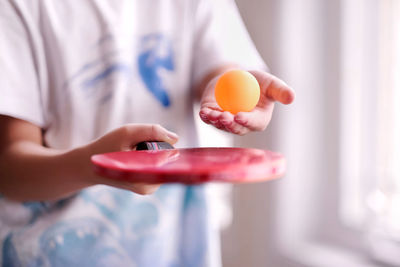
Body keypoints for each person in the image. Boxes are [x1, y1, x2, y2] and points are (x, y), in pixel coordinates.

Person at [0, 0, 294, 266]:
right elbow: (10, 171)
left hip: (170, 252)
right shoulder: (16, 8)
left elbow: (221, 69)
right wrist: (98, 165)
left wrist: (225, 85)